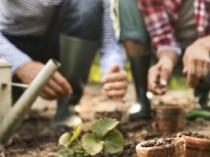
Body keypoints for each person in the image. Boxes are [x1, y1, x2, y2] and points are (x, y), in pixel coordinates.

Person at [0, 0, 128, 128]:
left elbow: (109, 43)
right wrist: (21, 64)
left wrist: (113, 69)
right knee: (5, 114)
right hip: (9, 46)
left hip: (58, 44)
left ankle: (67, 106)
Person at [118, 0, 210, 121]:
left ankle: (203, 93)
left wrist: (202, 46)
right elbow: (162, 36)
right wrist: (166, 60)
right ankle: (142, 96)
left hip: (209, 56)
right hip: (165, 54)